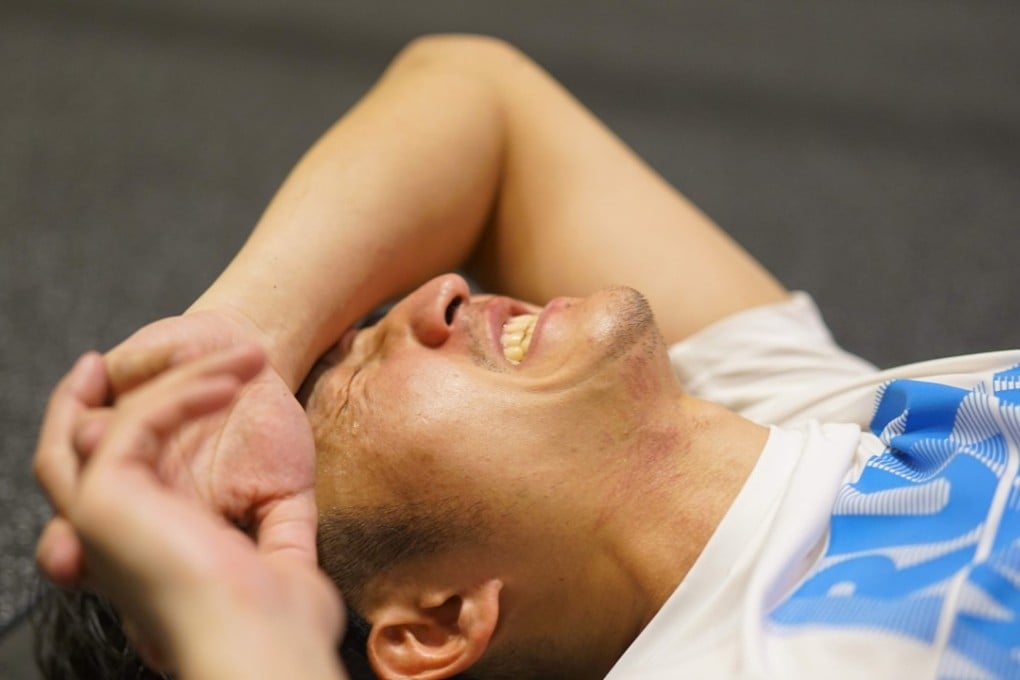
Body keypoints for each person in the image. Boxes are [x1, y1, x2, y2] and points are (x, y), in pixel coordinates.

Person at [32, 34, 1020, 679]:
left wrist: (249, 340)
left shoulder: (818, 410)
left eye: (355, 328)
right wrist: (244, 634)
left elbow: (477, 94)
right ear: (432, 621)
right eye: (345, 383)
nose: (437, 290)